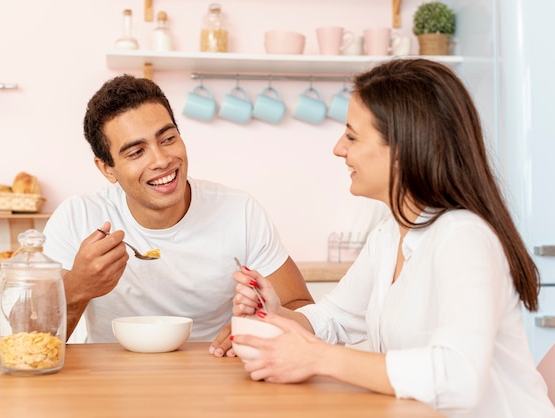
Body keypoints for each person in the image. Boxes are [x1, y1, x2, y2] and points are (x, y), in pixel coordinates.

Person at [231, 59, 555, 417]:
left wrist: (319, 359)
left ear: (402, 149)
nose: (339, 148)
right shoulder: (389, 236)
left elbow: (459, 377)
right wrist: (278, 313)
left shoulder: (464, 237)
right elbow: (334, 319)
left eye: (352, 136)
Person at [42, 74, 313, 356]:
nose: (161, 160)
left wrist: (263, 325)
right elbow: (26, 338)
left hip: (214, 375)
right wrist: (76, 288)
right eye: (136, 152)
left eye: (168, 138)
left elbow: (302, 308)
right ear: (107, 169)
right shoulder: (78, 216)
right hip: (109, 380)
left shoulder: (239, 212)